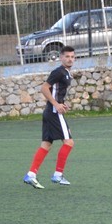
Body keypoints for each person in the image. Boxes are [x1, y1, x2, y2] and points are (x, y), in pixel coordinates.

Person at [23, 46, 77, 188]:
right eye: (67, 56)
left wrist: (62, 103)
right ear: (61, 57)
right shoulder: (59, 72)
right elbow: (44, 88)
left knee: (46, 145)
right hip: (54, 113)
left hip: (50, 112)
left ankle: (31, 175)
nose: (70, 59)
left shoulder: (66, 73)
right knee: (69, 142)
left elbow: (56, 92)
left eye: (72, 57)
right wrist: (56, 104)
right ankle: (58, 175)